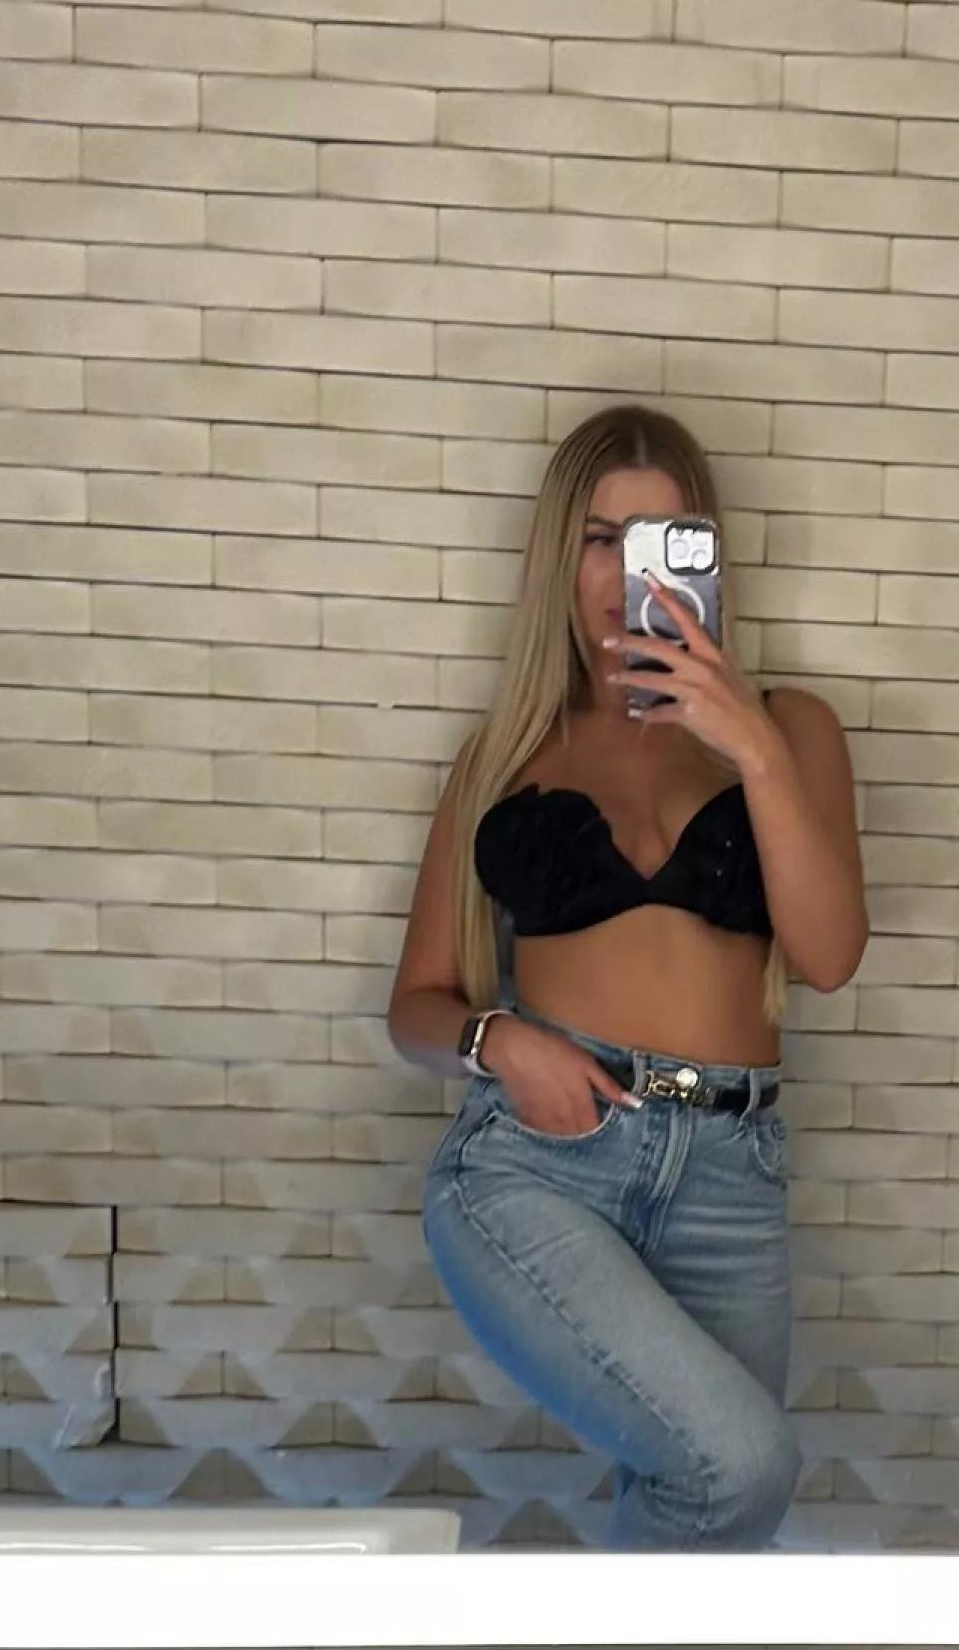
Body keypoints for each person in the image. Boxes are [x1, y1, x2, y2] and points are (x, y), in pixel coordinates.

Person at [388, 402, 869, 1552]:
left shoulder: (790, 728)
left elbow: (829, 957)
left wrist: (747, 742)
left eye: (661, 541)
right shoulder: (505, 753)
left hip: (729, 1177)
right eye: (600, 539)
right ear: (561, 557)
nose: (625, 573)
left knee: (713, 1520)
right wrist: (499, 1040)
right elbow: (415, 1006)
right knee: (741, 1465)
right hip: (541, 1162)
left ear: (705, 557)